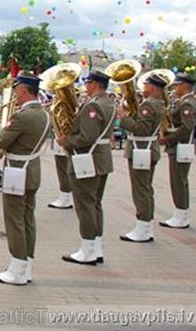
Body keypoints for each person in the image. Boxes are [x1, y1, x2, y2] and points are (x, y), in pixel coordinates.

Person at [0, 72, 50, 286]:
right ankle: (27, 265)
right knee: (28, 219)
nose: (15, 94)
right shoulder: (44, 114)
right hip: (32, 169)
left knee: (14, 220)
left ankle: (17, 268)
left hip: (17, 170)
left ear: (24, 90)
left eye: (17, 90)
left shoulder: (22, 117)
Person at [57, 70, 116, 265]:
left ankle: (87, 249)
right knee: (95, 204)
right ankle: (96, 247)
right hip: (101, 159)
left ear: (96, 84)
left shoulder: (94, 105)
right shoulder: (109, 102)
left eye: (88, 82)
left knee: (85, 206)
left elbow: (86, 137)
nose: (86, 85)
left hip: (89, 159)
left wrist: (66, 141)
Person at [117, 73, 166, 243]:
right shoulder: (156, 103)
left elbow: (141, 129)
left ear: (152, 87)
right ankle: (146, 226)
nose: (143, 87)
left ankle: (143, 226)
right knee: (146, 189)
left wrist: (123, 117)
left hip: (141, 149)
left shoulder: (150, 105)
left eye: (145, 85)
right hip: (146, 150)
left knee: (141, 190)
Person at [159, 73, 196, 229]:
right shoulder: (185, 101)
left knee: (178, 182)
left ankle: (181, 215)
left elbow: (186, 128)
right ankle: (182, 213)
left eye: (177, 85)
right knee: (181, 181)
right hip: (180, 145)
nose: (175, 88)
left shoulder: (187, 103)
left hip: (180, 146)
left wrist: (167, 139)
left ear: (185, 86)